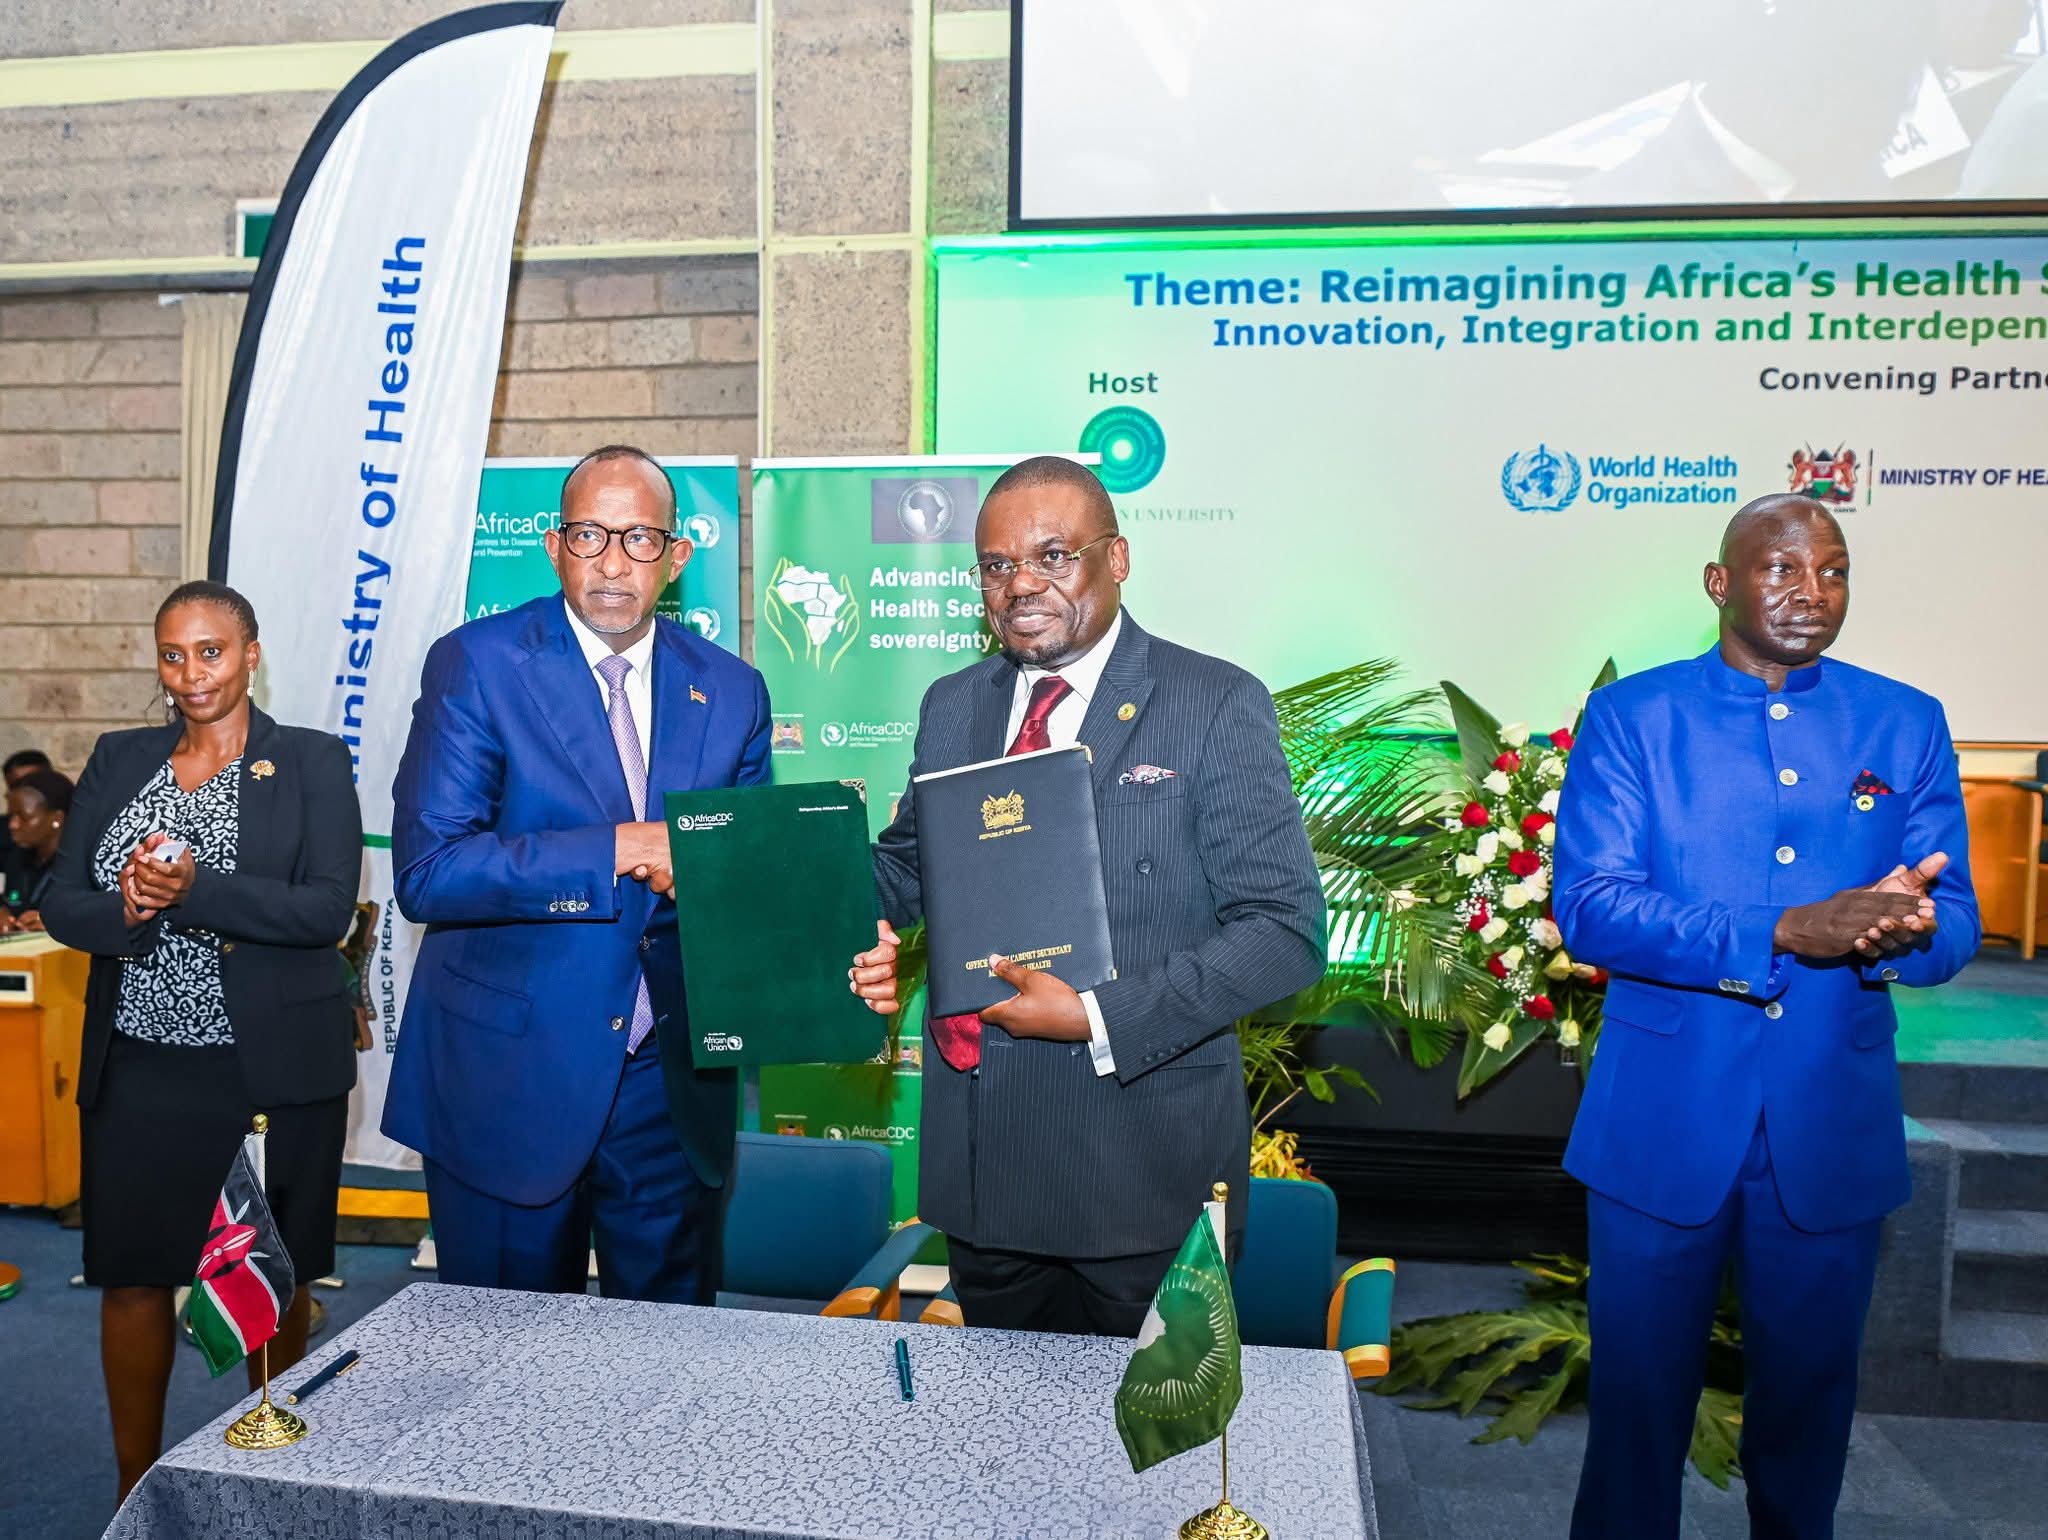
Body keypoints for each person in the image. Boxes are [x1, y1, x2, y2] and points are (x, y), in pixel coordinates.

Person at [1553, 494, 1980, 1540]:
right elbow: (1592, 907)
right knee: (1633, 1425)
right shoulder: (1632, 718)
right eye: (1780, 570)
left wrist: (1903, 927)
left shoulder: (1902, 720)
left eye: (1830, 572)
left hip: (1827, 1128)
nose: (1809, 593)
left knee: (1806, 1428)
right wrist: (1786, 928)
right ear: (1719, 583)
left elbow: (1956, 922)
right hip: (1660, 1127)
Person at [385, 444, 896, 1303]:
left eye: (640, 539)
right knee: (503, 1376)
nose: (614, 563)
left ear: (678, 556)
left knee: (665, 1376)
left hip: (669, 1092)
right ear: (553, 547)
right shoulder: (479, 664)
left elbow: (747, 876)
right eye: (590, 536)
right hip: (512, 1080)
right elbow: (431, 872)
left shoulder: (732, 691)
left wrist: (840, 955)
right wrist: (619, 847)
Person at [865, 456, 1326, 1335]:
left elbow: (1285, 930)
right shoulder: (953, 704)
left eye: (1053, 556)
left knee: (1152, 1461)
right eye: (998, 566)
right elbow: (910, 869)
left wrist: (1098, 1016)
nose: (1022, 585)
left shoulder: (1212, 702)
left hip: (1141, 1170)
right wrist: (770, 869)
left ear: (1116, 559)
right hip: (985, 1166)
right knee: (997, 1450)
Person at [40, 580, 362, 1505]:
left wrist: (192, 889)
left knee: (275, 1277)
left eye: (211, 652)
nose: (192, 675)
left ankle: (277, 1477)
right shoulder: (119, 759)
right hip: (139, 1065)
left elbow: (323, 910)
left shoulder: (307, 762)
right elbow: (62, 899)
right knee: (134, 1278)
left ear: (251, 653)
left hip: (269, 1071)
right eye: (173, 655)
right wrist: (127, 909)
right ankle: (136, 1491)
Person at [2, 767, 73, 931]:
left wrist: (59, 923)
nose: (13, 824)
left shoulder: (80, 865)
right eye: (11, 816)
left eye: (23, 817)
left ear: (57, 818)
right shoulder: (17, 858)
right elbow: (10, 903)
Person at [0, 748, 54, 866]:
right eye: (17, 786)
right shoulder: (4, 832)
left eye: (34, 783)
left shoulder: (75, 831)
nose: (25, 791)